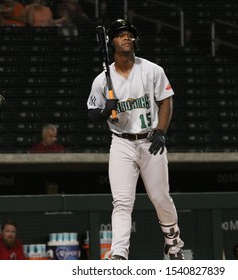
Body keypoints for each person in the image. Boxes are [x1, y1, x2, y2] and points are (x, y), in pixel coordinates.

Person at [87, 19, 185, 260]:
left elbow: (166, 100)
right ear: (111, 42)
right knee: (121, 201)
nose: (127, 37)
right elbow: (91, 112)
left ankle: (173, 246)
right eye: (121, 35)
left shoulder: (152, 70)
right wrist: (104, 111)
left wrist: (161, 131)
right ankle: (119, 254)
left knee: (161, 197)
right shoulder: (102, 79)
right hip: (121, 142)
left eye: (130, 34)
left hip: (150, 139)